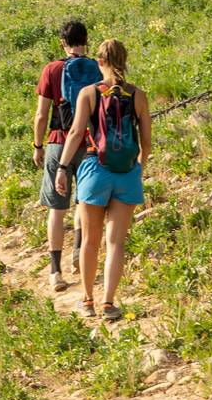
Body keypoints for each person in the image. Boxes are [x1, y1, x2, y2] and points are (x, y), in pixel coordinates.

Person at [54, 38, 151, 323]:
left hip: (94, 168)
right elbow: (146, 142)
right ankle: (109, 303)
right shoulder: (138, 95)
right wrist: (137, 170)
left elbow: (75, 133)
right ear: (125, 60)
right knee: (116, 243)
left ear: (99, 63)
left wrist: (62, 167)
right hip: (126, 173)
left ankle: (87, 300)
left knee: (90, 241)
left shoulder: (89, 93)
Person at [31, 19, 98, 293]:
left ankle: (55, 271)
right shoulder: (96, 69)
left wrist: (38, 146)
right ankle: (78, 257)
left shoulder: (52, 69)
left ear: (62, 42)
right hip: (88, 142)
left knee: (57, 209)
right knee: (83, 203)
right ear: (86, 41)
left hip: (58, 141)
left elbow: (41, 115)